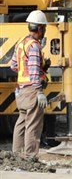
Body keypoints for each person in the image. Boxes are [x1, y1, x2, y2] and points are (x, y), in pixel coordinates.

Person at [10, 10, 49, 158]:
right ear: (39, 28)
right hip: (32, 90)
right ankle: (29, 158)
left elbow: (14, 65)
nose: (44, 31)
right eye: (44, 28)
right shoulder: (34, 46)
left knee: (21, 123)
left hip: (21, 90)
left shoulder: (21, 43)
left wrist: (41, 68)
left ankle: (17, 156)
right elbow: (32, 70)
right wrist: (39, 91)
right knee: (33, 125)